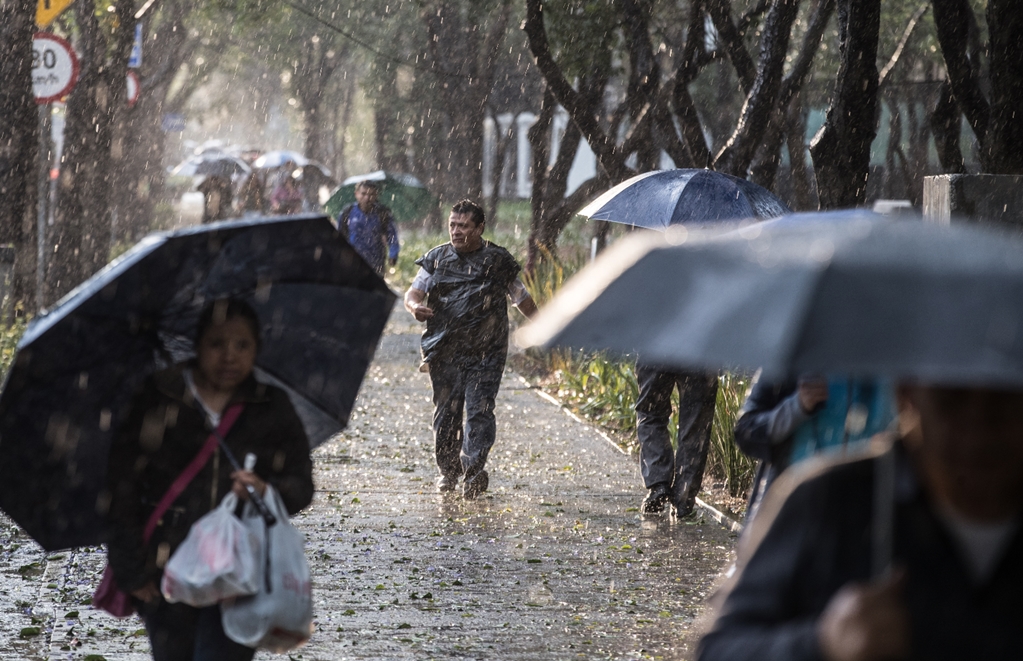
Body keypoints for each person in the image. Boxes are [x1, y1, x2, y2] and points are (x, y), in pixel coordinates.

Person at [696, 383, 1023, 661]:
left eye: (1004, 401)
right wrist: (822, 641)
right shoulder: (827, 501)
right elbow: (719, 648)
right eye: (952, 401)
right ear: (907, 393)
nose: (978, 431)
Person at [105, 299, 314, 661]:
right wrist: (132, 571)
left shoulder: (271, 406)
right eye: (217, 344)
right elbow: (119, 488)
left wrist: (266, 491)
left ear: (256, 350)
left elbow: (301, 486)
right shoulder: (157, 398)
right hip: (166, 572)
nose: (229, 356)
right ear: (198, 345)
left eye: (242, 345)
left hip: (240, 575)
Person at [404, 199, 537, 499]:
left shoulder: (497, 260)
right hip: (445, 350)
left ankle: (474, 471)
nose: (456, 231)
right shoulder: (436, 258)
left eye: (463, 226)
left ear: (479, 228)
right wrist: (414, 307)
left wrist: (545, 324)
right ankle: (448, 472)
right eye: (452, 225)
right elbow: (414, 291)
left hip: (486, 352)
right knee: (447, 415)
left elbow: (520, 297)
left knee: (479, 411)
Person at [734, 375, 896, 519]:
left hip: (857, 518)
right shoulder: (793, 360)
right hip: (787, 514)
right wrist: (797, 406)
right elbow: (746, 430)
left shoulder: (889, 373)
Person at [635, 364, 719, 517]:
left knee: (651, 413)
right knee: (696, 425)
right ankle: (684, 498)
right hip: (701, 351)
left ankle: (658, 482)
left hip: (656, 347)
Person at [337, 180, 400, 275]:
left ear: (376, 196)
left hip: (376, 263)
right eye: (363, 194)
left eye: (371, 194)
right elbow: (339, 237)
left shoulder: (382, 213)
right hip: (353, 262)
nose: (367, 198)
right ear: (356, 194)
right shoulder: (347, 213)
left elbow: (392, 236)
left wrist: (393, 255)